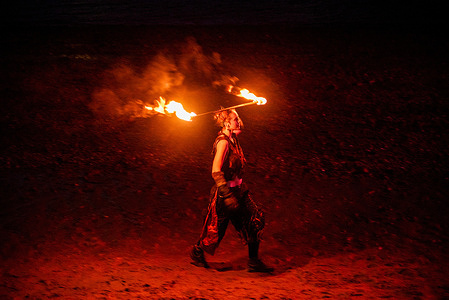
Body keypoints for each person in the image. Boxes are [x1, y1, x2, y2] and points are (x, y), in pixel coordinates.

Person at [190, 108, 273, 273]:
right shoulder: (223, 142)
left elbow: (239, 133)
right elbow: (215, 170)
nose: (239, 121)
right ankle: (197, 252)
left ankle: (253, 261)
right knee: (215, 233)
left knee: (255, 220)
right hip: (224, 195)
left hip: (240, 192)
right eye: (235, 119)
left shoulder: (233, 138)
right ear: (226, 123)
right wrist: (227, 195)